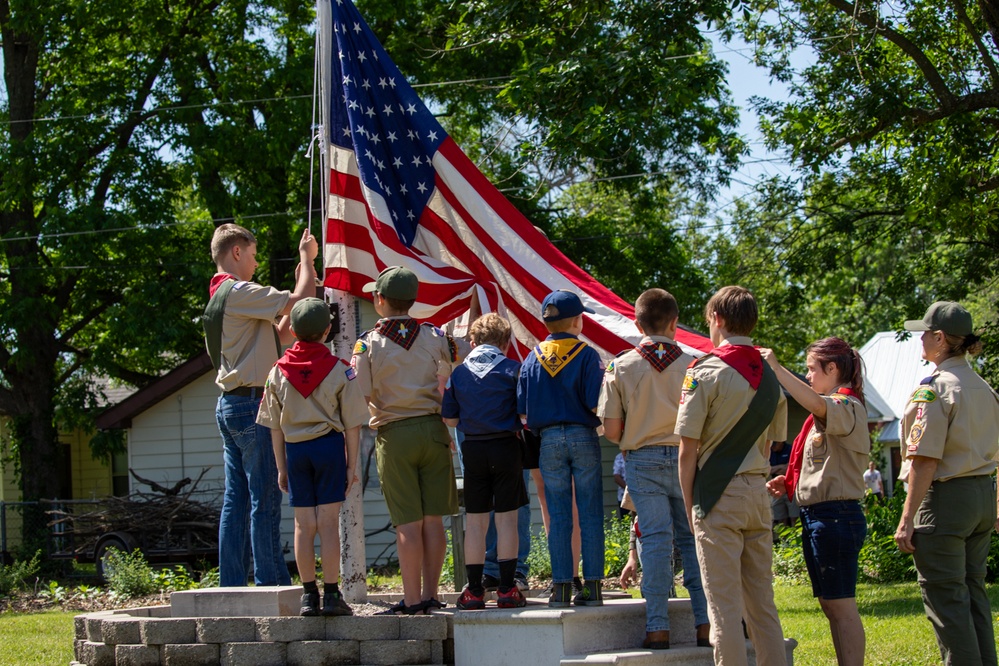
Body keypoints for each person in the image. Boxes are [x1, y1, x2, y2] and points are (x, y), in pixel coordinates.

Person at [676, 285, 788, 666]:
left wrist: (693, 505)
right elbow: (775, 444)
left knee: (723, 608)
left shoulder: (704, 373)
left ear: (718, 320)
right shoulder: (772, 377)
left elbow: (687, 451)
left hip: (717, 497)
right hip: (758, 495)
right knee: (762, 606)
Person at [204, 223, 317, 587]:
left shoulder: (220, 295)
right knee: (265, 495)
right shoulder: (238, 290)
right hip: (252, 405)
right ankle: (271, 581)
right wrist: (307, 261)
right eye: (252, 256)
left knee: (236, 498)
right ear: (236, 252)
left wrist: (306, 276)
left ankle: (232, 584)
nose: (255, 264)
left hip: (230, 403)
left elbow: (284, 332)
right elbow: (299, 308)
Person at [598, 288, 710, 649]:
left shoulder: (620, 366)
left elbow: (612, 430)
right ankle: (706, 624)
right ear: (675, 323)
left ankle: (658, 627)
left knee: (656, 542)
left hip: (642, 459)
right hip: (686, 456)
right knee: (692, 542)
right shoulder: (696, 365)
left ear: (636, 323)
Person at [350, 266, 460, 615]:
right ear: (414, 299)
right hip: (433, 430)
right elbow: (452, 372)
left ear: (380, 300)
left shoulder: (368, 343)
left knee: (408, 523)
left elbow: (361, 393)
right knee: (433, 519)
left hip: (394, 434)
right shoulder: (435, 335)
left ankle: (412, 599)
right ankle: (431, 593)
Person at [893, 301, 999, 665]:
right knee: (973, 594)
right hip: (982, 495)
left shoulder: (935, 390)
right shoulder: (983, 387)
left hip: (946, 501)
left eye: (924, 332)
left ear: (939, 338)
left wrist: (907, 518)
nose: (920, 338)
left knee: (947, 601)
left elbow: (924, 459)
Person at [256, 298, 368, 616]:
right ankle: (332, 595)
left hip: (295, 451)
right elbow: (352, 424)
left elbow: (274, 427)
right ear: (328, 331)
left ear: (291, 330)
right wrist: (351, 465)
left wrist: (281, 467)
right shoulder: (340, 370)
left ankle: (308, 596)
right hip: (329, 448)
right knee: (329, 523)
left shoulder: (276, 372)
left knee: (303, 525)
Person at [761, 338, 869, 666]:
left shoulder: (846, 405)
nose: (808, 376)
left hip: (836, 516)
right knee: (829, 603)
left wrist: (778, 369)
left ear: (832, 369)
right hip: (819, 515)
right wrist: (792, 481)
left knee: (841, 605)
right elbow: (824, 462)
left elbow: (818, 405)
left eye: (811, 369)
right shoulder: (829, 409)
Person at [518, 289, 605, 607]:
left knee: (558, 516)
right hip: (583, 436)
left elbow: (523, 411)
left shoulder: (531, 358)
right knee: (591, 513)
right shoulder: (587, 355)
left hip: (549, 441)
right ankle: (593, 588)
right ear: (577, 322)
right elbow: (596, 403)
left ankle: (562, 587)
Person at [443, 313, 529, 610]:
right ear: (506, 342)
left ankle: (474, 590)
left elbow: (450, 417)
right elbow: (524, 414)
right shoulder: (514, 370)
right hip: (506, 447)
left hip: (474, 450)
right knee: (507, 520)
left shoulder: (459, 374)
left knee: (476, 522)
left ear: (472, 341)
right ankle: (507, 589)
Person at [769, 441, 799, 528]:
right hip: (776, 489)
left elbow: (791, 468)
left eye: (774, 443)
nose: (772, 446)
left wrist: (776, 468)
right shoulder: (770, 451)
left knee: (794, 518)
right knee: (780, 519)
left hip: (790, 488)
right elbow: (767, 470)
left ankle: (795, 539)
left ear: (780, 442)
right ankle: (783, 540)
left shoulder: (790, 449)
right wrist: (782, 467)